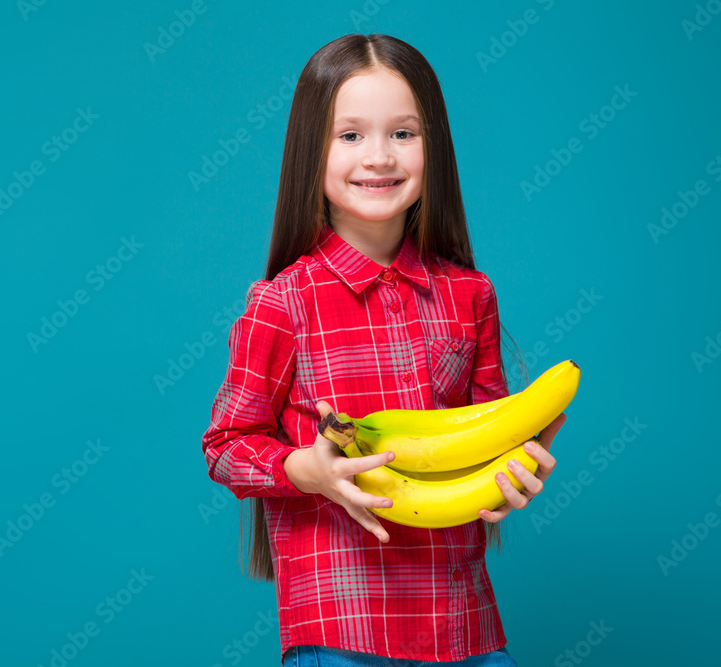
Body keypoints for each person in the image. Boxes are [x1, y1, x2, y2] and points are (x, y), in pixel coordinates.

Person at [201, 33, 567, 666]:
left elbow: (486, 434)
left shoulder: (470, 295)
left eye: (404, 133)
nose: (378, 156)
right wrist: (303, 470)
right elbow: (226, 445)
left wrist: (514, 474)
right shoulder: (282, 302)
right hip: (340, 628)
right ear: (309, 152)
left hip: (463, 626)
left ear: (436, 148)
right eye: (350, 136)